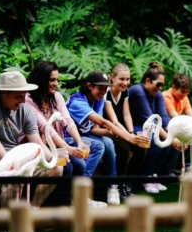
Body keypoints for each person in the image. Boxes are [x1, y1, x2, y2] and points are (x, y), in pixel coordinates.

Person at [0, 71, 63, 232]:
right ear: (3, 93)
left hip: (15, 155)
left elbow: (37, 141)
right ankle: (8, 224)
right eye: (18, 96)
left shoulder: (25, 109)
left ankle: (31, 212)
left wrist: (54, 159)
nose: (23, 100)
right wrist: (12, 163)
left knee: (56, 169)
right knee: (14, 176)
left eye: (24, 96)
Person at [25, 60, 107, 208]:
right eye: (52, 80)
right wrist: (67, 148)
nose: (56, 83)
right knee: (67, 167)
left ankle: (70, 202)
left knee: (80, 165)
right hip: (38, 146)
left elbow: (67, 121)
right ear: (41, 79)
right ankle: (54, 207)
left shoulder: (56, 97)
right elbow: (45, 128)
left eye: (57, 79)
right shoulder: (28, 100)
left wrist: (79, 142)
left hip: (56, 146)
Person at [66, 70, 147, 204]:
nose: (103, 92)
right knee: (99, 145)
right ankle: (81, 192)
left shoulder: (98, 99)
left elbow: (94, 129)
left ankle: (112, 186)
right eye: (100, 88)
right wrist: (129, 137)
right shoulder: (77, 102)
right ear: (89, 86)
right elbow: (104, 122)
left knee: (109, 142)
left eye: (105, 89)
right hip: (68, 137)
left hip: (85, 135)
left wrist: (111, 133)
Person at [129, 62, 183, 193]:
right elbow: (149, 119)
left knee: (165, 143)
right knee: (155, 140)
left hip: (149, 125)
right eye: (158, 84)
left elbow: (163, 118)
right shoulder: (137, 91)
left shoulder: (157, 94)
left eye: (162, 85)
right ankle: (145, 177)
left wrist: (173, 134)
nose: (160, 88)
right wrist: (170, 139)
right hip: (135, 125)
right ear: (148, 81)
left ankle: (154, 174)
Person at [104, 63, 147, 198]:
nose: (125, 83)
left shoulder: (125, 92)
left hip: (122, 130)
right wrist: (129, 137)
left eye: (127, 79)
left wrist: (132, 133)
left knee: (142, 147)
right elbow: (114, 121)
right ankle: (118, 185)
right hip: (109, 131)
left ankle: (128, 183)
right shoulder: (106, 92)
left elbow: (127, 114)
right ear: (112, 78)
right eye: (122, 79)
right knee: (124, 149)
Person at [161, 73, 192, 176]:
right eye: (182, 92)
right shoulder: (166, 97)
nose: (184, 94)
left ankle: (186, 165)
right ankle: (169, 171)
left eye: (187, 92)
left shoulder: (184, 97)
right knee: (179, 137)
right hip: (166, 127)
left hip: (177, 125)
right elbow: (176, 118)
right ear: (174, 87)